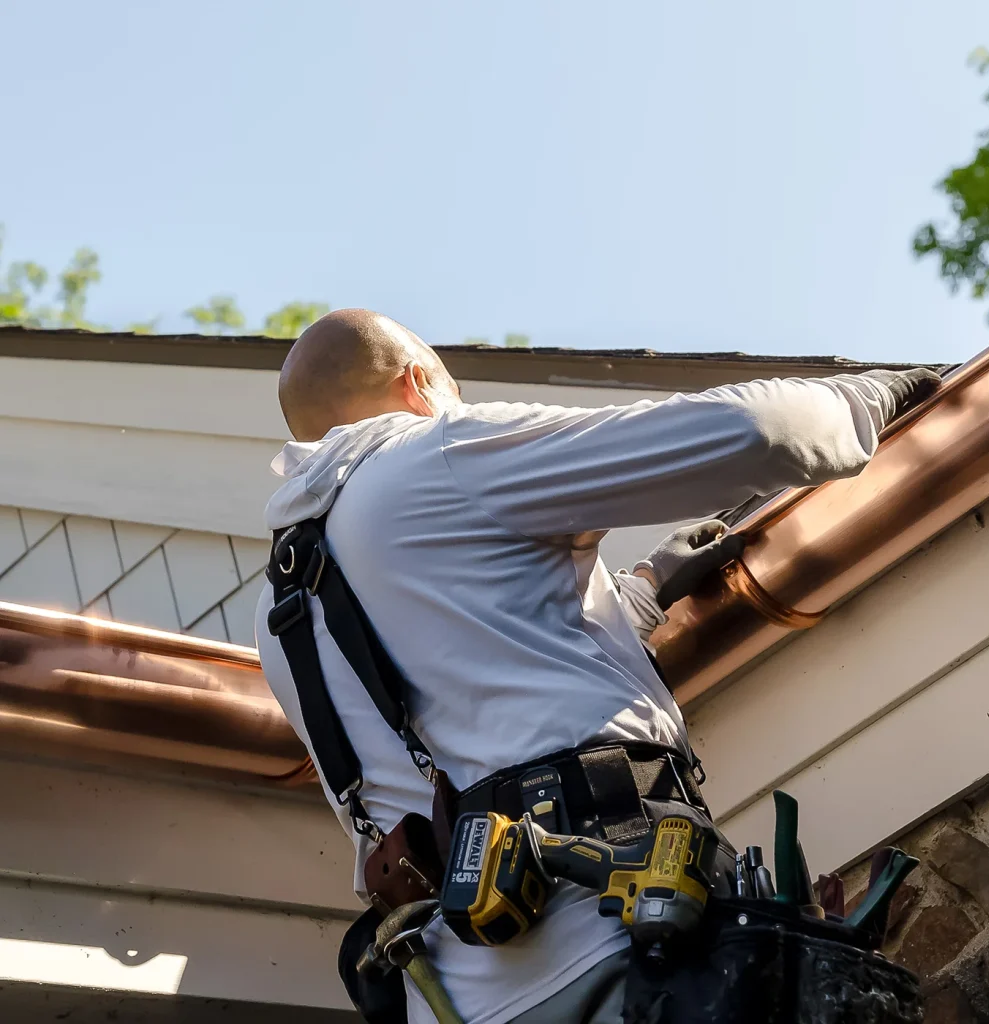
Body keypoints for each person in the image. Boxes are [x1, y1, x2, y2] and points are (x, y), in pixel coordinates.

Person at [255, 309, 939, 1024]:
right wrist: (884, 394)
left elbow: (456, 679)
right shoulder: (434, 453)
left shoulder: (281, 607)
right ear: (419, 383)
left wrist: (636, 594)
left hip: (461, 997)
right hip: (617, 950)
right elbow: (755, 430)